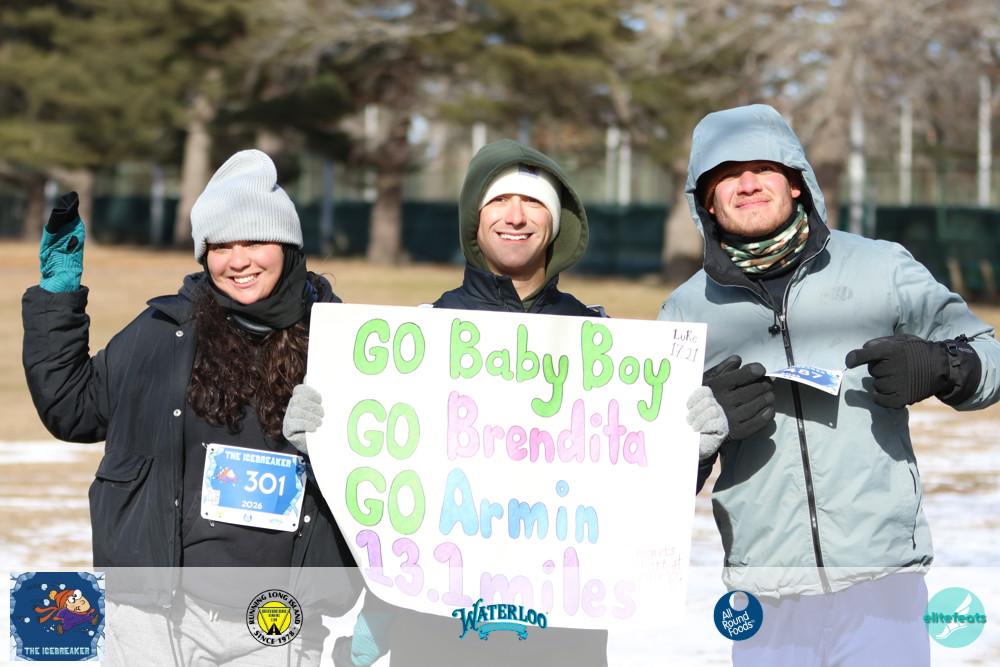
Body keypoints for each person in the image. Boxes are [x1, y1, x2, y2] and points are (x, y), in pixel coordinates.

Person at [284, 139, 758, 666]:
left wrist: (688, 451)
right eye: (499, 201)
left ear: (555, 224)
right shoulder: (416, 338)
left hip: (563, 635)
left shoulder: (604, 344)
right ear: (475, 218)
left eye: (533, 202)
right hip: (436, 634)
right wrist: (325, 443)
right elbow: (383, 489)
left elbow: (633, 499)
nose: (515, 216)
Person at [659, 103, 1000, 665]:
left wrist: (941, 366)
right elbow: (653, 479)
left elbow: (989, 355)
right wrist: (698, 436)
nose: (748, 183)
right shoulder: (684, 311)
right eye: (727, 174)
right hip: (766, 594)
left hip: (883, 581)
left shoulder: (882, 267)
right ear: (707, 201)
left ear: (796, 183)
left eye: (763, 168)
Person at [22, 149, 359, 666]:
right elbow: (73, 408)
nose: (237, 261)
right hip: (153, 613)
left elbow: (386, 471)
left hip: (278, 620)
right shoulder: (165, 331)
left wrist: (332, 445)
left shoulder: (342, 341)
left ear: (289, 245)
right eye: (220, 246)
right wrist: (57, 296)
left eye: (254, 241)